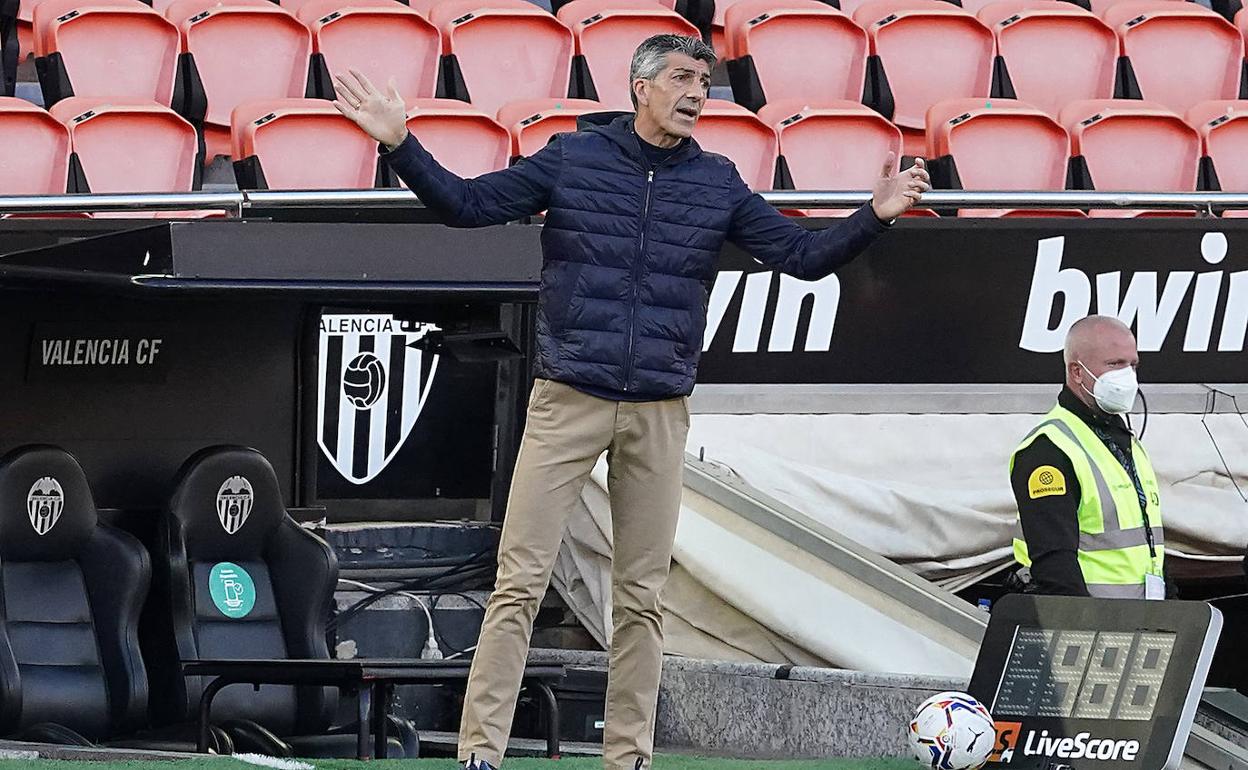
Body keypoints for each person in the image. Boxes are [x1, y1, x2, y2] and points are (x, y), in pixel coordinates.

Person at [333, 33, 930, 770]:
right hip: (567, 398)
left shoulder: (718, 181)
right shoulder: (573, 158)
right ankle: (479, 754)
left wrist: (875, 215)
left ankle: (628, 758)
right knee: (518, 583)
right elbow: (467, 204)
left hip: (659, 410)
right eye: (681, 78)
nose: (696, 94)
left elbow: (800, 257)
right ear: (640, 86)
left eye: (703, 83)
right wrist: (399, 144)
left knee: (642, 596)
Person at [1010, 315, 1166, 599]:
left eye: (1133, 364)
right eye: (1115, 364)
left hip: (1142, 617)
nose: (1128, 376)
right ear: (1077, 372)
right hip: (1091, 619)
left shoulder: (1124, 441)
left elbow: (1147, 546)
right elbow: (1055, 565)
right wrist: (1084, 622)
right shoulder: (1049, 449)